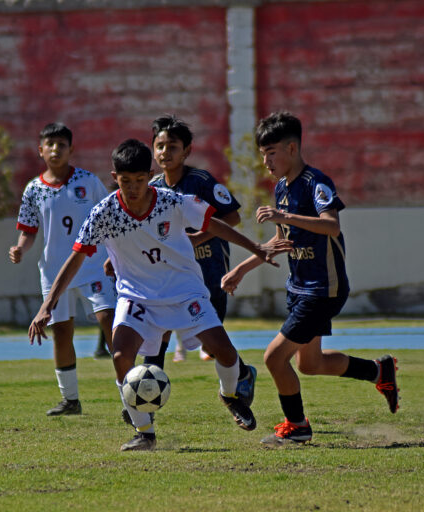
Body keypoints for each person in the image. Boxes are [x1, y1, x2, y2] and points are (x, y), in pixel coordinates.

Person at [29, 139, 293, 451]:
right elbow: (74, 260)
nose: (133, 188)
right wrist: (47, 305)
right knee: (120, 355)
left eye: (140, 180)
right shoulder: (104, 212)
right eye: (125, 181)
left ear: (149, 175)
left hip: (183, 291)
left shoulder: (172, 201)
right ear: (115, 177)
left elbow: (217, 224)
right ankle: (145, 433)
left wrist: (257, 248)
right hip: (137, 297)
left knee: (223, 351)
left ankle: (230, 393)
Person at [221, 112, 399, 446]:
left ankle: (297, 426)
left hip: (323, 288)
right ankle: (379, 371)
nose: (266, 160)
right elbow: (281, 240)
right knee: (310, 363)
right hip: (299, 287)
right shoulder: (280, 188)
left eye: (271, 152)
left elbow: (331, 225)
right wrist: (241, 269)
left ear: (292, 148)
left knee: (274, 357)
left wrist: (284, 215)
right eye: (262, 154)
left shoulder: (316, 183)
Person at [10, 122, 116, 416]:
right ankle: (70, 400)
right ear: (40, 150)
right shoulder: (33, 189)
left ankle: (129, 393)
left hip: (93, 266)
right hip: (54, 273)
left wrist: (114, 255)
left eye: (62, 144)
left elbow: (108, 217)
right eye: (50, 144)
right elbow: (29, 230)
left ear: (72, 149)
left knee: (109, 321)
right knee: (62, 333)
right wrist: (21, 247)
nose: (55, 149)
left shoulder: (88, 181)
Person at [146, 114, 242, 364]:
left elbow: (232, 217)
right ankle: (147, 389)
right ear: (153, 149)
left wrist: (199, 238)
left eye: (173, 146)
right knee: (159, 331)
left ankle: (241, 376)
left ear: (187, 151)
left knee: (214, 349)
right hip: (171, 276)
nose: (165, 152)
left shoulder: (201, 182)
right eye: (160, 146)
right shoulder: (152, 188)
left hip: (210, 274)